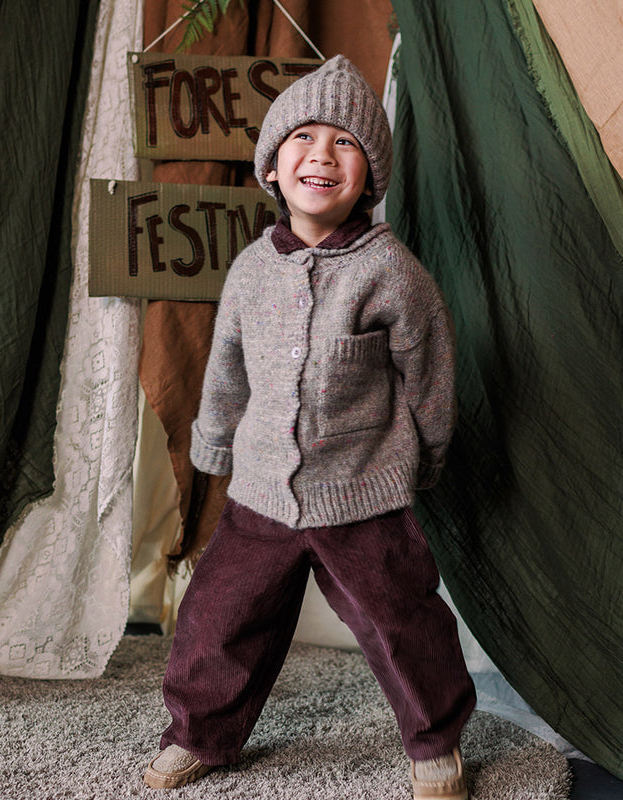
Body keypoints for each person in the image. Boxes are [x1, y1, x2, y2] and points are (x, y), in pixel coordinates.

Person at [143, 55, 476, 800]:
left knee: (403, 623)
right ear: (271, 166)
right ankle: (199, 733)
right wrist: (216, 442)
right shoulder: (251, 271)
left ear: (371, 174)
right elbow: (227, 365)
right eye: (302, 137)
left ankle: (435, 740)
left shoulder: (393, 273)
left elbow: (430, 374)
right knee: (217, 621)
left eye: (345, 143)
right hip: (262, 489)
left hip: (363, 492)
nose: (321, 154)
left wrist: (425, 456)